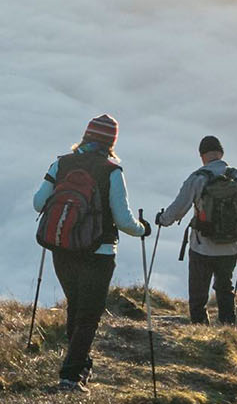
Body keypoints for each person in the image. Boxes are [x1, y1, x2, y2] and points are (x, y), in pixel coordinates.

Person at [30, 113, 149, 386]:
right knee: (89, 315)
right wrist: (143, 228)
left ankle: (79, 367)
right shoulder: (112, 171)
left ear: (85, 136)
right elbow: (123, 220)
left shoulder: (61, 164)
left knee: (76, 307)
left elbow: (39, 203)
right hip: (100, 251)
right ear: (111, 142)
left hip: (63, 247)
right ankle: (71, 376)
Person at [160, 136, 237, 323]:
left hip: (202, 246)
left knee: (198, 293)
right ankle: (227, 329)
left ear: (202, 156)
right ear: (221, 153)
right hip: (231, 246)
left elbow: (177, 209)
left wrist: (162, 220)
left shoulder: (197, 178)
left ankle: (200, 332)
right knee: (225, 288)